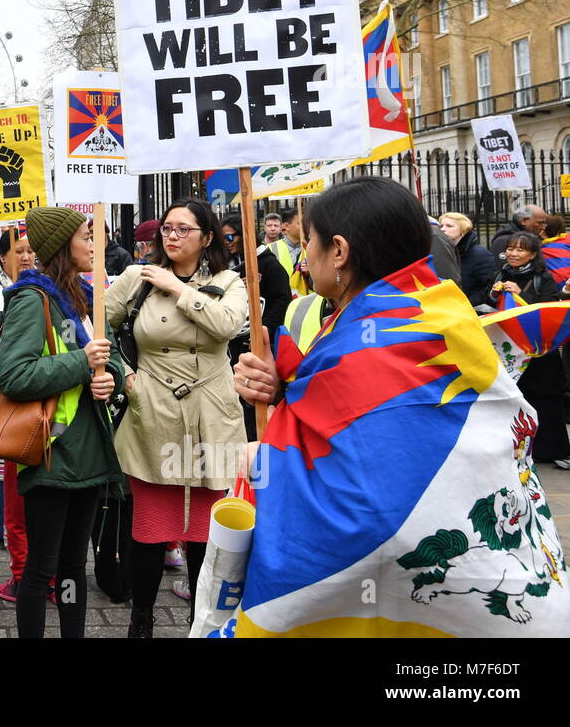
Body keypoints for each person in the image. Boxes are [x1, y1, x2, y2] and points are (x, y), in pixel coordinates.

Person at [231, 178, 569, 636]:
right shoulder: (439, 309)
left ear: (339, 251)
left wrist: (260, 464)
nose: (305, 256)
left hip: (422, 574)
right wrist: (285, 391)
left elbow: (364, 491)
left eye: (309, 241)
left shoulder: (367, 337)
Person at [106, 198, 247, 638]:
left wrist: (179, 289)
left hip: (211, 414)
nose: (171, 235)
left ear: (207, 238)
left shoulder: (230, 280)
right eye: (167, 227)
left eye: (184, 229)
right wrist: (124, 375)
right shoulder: (136, 277)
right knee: (150, 526)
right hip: (154, 411)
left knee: (205, 531)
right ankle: (141, 618)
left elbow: (226, 325)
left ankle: (199, 620)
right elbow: (94, 327)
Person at [0, 206, 123, 638]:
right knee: (41, 569)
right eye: (87, 236)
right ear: (62, 247)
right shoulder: (32, 300)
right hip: (52, 456)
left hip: (90, 456)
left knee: (74, 567)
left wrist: (112, 380)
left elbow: (113, 362)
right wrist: (80, 363)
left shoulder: (86, 298)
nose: (94, 244)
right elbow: (14, 376)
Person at [0, 228, 35, 600]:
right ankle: (20, 569)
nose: (26, 257)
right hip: (3, 406)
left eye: (32, 250)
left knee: (29, 501)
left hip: (40, 413)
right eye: (19, 250)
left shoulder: (44, 292)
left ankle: (31, 574)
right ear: (3, 256)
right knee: (8, 489)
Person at [489, 233, 570, 467]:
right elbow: (489, 303)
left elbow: (549, 307)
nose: (513, 253)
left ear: (533, 255)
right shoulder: (500, 273)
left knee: (545, 400)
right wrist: (495, 293)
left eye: (520, 250)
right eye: (511, 249)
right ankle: (521, 448)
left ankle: (555, 450)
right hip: (511, 352)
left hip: (539, 351)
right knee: (516, 399)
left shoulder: (542, 278)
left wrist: (521, 294)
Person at [220, 214, 291, 441]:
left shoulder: (269, 264)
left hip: (256, 343)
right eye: (223, 238)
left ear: (245, 235)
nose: (227, 242)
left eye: (231, 236)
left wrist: (262, 331)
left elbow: (282, 300)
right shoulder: (229, 264)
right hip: (232, 341)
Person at [438, 212, 497, 308]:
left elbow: (489, 287)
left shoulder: (480, 254)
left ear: (463, 230)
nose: (443, 229)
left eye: (449, 226)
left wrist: (466, 304)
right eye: (441, 226)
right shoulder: (442, 251)